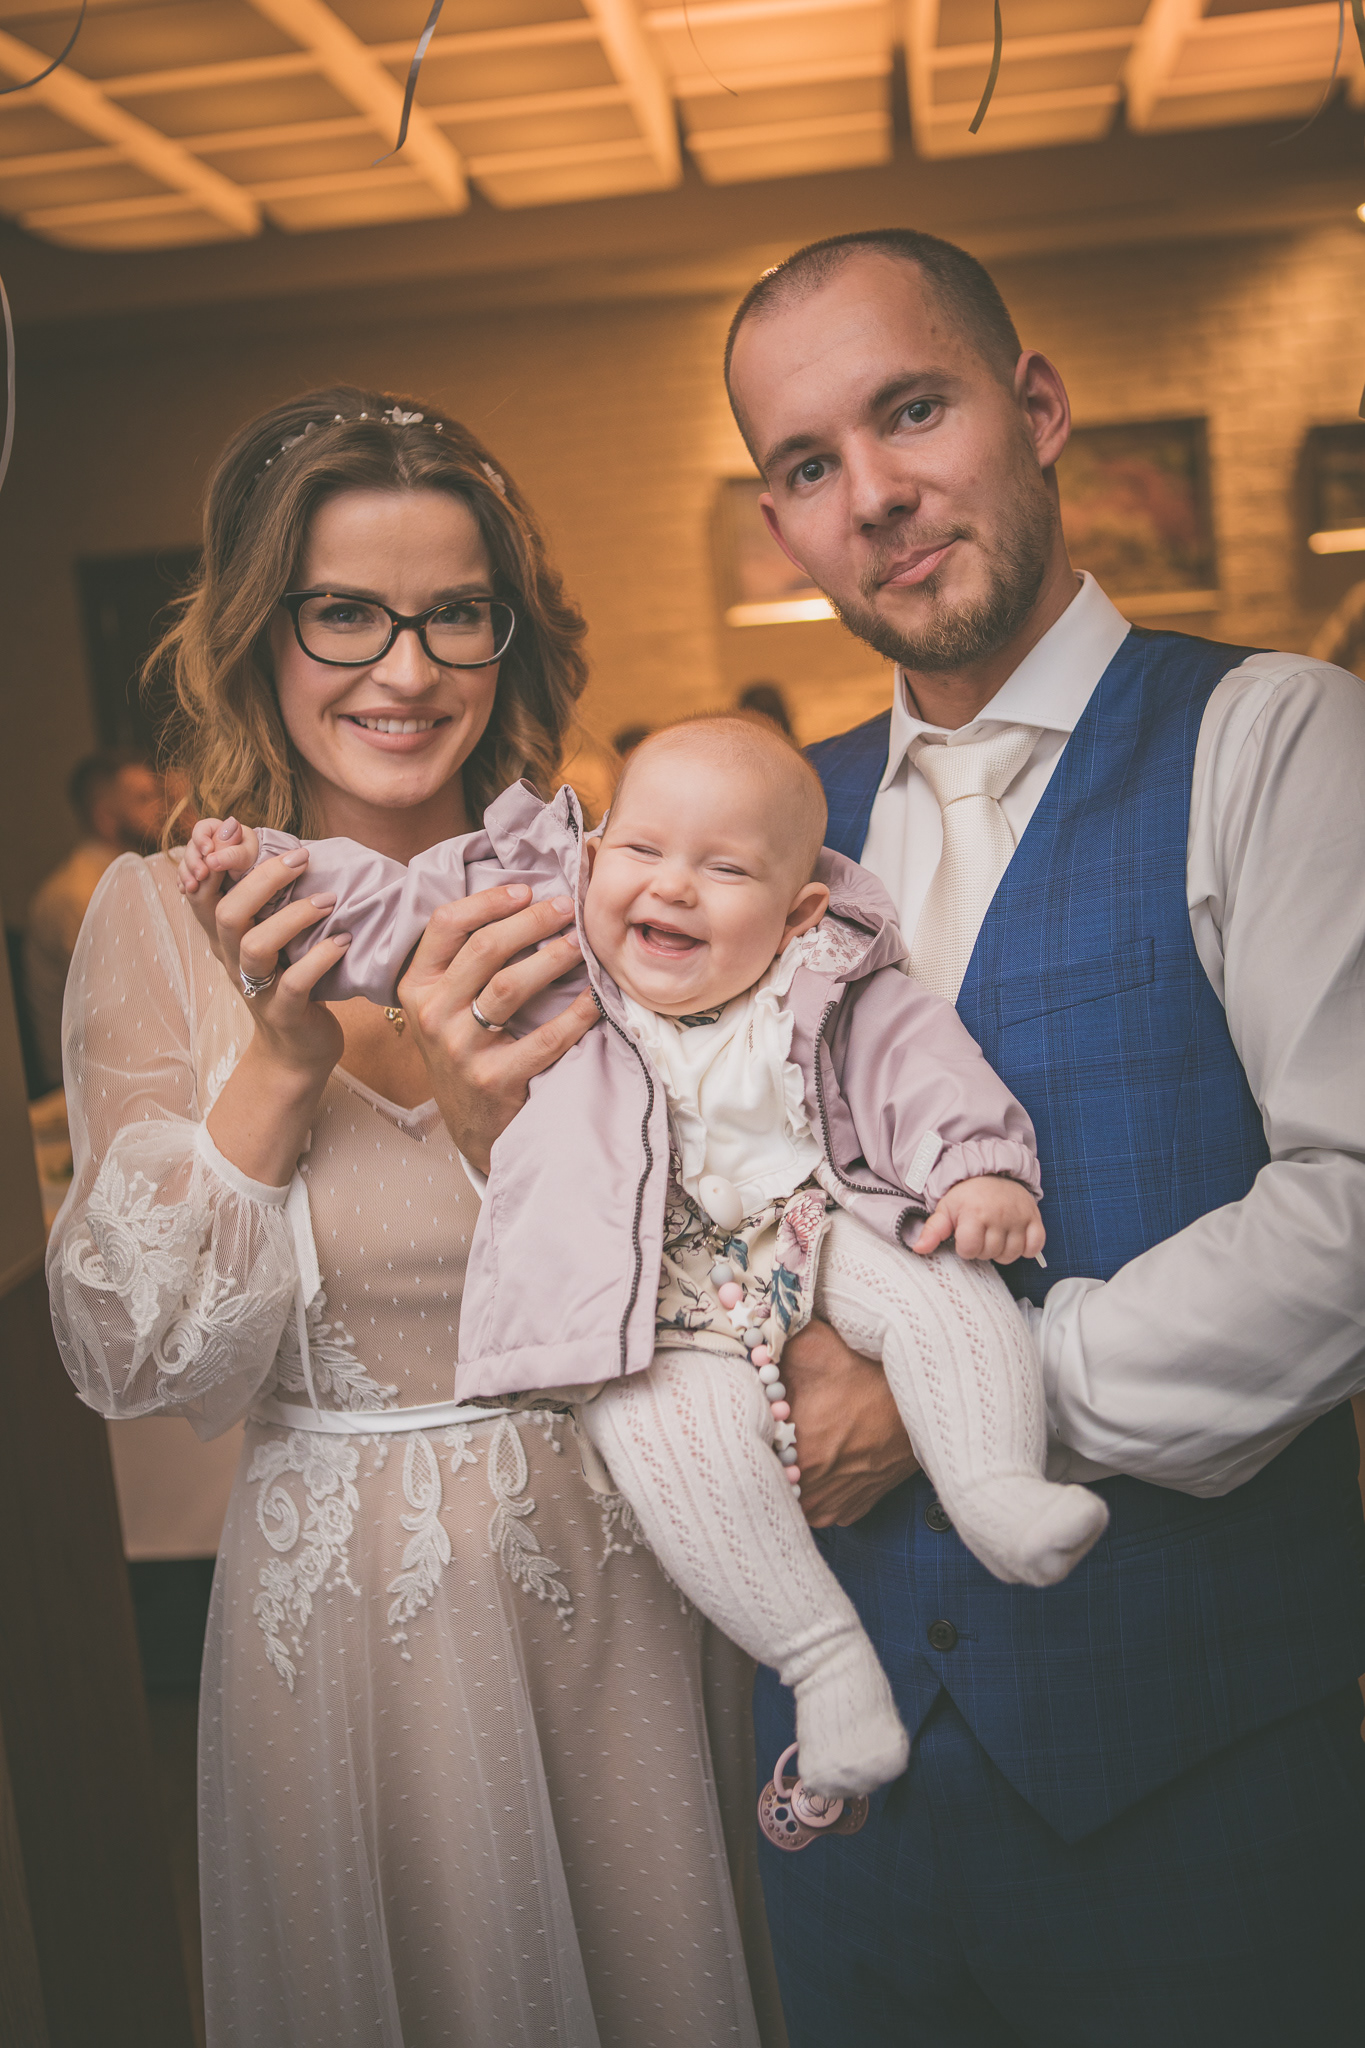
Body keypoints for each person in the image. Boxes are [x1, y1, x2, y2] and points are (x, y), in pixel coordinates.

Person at [47, 387, 786, 2048]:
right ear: (262, 631)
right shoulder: (158, 921)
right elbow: (135, 1354)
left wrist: (487, 1120)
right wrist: (279, 1060)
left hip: (626, 1583)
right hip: (345, 1631)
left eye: (456, 611)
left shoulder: (608, 892)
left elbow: (735, 1284)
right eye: (345, 613)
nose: (405, 667)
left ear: (507, 637)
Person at [716, 228, 1365, 2045]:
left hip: (1197, 1786)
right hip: (848, 1813)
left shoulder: (1273, 736)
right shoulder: (773, 829)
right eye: (808, 464)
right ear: (779, 522)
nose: (874, 494)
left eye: (912, 411)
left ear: (1040, 405)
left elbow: (1348, 1209)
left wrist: (956, 1402)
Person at [182, 713, 1107, 1799]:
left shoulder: (830, 979)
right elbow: (393, 904)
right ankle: (822, 1661)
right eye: (640, 849)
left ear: (798, 910)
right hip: (650, 1291)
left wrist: (979, 1171)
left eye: (725, 870)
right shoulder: (543, 931)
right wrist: (266, 869)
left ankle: (997, 1483)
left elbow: (925, 1067)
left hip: (820, 1229)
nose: (671, 886)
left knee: (945, 1287)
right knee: (661, 1438)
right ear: (589, 854)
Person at [24, 748, 170, 1091]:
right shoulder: (79, 893)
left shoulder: (133, 875)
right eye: (143, 799)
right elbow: (128, 1007)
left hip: (131, 1062)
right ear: (105, 817)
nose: (161, 809)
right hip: (85, 1085)